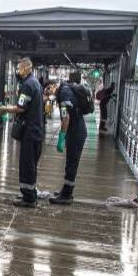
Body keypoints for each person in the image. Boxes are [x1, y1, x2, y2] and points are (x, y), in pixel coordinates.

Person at [0, 57, 45, 207]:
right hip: (38, 130)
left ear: (26, 68)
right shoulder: (36, 83)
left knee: (27, 164)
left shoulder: (27, 85)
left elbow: (21, 108)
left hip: (29, 131)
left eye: (20, 68)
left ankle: (28, 198)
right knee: (32, 164)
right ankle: (31, 192)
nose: (18, 71)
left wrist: (4, 109)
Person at [50, 72, 88, 205]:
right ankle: (65, 191)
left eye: (49, 89)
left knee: (71, 164)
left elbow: (66, 117)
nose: (49, 93)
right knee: (70, 163)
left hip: (75, 132)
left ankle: (66, 195)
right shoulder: (66, 90)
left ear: (54, 86)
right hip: (77, 130)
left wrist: (61, 137)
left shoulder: (63, 95)